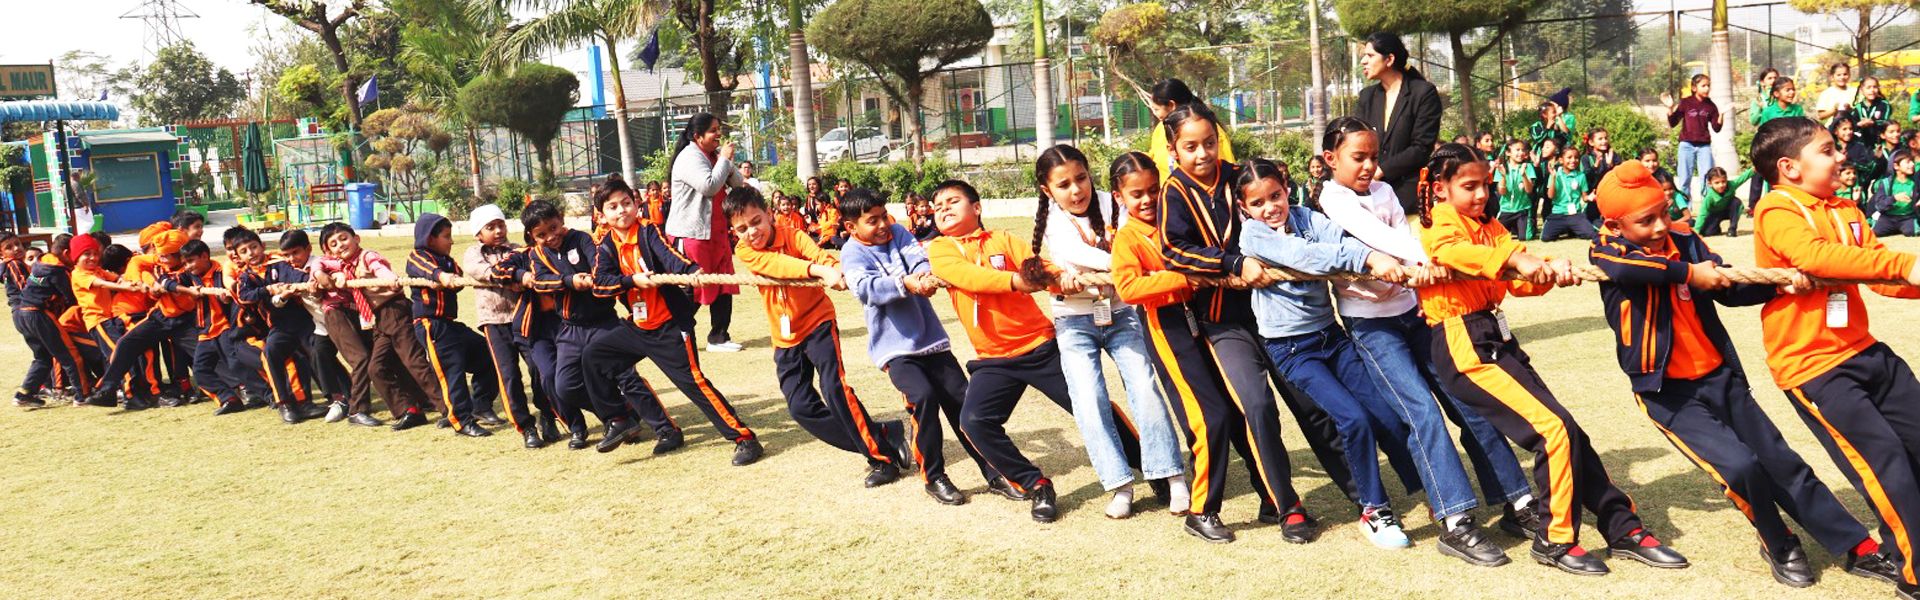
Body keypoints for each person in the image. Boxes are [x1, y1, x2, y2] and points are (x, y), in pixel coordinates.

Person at [1589, 159, 1889, 588]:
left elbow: (1728, 287)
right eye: (1646, 220)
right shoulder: (1607, 250)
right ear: (1615, 225)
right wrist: (1689, 273)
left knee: (1783, 462)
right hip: (1667, 393)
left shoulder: (1683, 239)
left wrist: (1777, 285)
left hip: (1719, 376)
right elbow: (1625, 270)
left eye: (1664, 212)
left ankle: (1855, 545)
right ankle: (1778, 541)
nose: (1660, 226)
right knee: (1740, 467)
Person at [1415, 142, 1688, 576]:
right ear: (1441, 189)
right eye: (1469, 186)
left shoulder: (1489, 226)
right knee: (1553, 431)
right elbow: (1453, 253)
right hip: (1461, 342)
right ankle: (1555, 540)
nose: (1482, 194)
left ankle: (1622, 527)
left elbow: (1519, 276)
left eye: (1485, 184)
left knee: (1568, 432)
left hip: (1495, 337)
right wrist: (1517, 259)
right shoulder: (1439, 222)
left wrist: (1548, 269)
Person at [1314, 118, 1546, 552]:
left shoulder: (1383, 191)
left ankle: (1517, 502)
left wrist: (1423, 269)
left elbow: (1401, 235)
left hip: (1414, 310)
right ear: (1331, 159)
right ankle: (1455, 520)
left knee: (1470, 400)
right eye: (1358, 157)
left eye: (1374, 156)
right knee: (1422, 413)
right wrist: (1429, 260)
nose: (1368, 166)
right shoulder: (1331, 199)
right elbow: (1375, 236)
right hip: (1372, 324)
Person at [1751, 117, 1920, 599]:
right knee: (1885, 462)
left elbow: (1880, 275)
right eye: (1827, 150)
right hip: (1815, 366)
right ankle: (1914, 573)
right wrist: (1907, 263)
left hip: (1865, 349)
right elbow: (1816, 257)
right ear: (1790, 167)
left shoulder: (1846, 208)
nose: (1840, 156)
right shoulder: (1776, 208)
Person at [926, 178, 1143, 524]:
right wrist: (1016, 281)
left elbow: (1037, 267)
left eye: (952, 201)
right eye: (937, 207)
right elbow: (967, 276)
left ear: (977, 207)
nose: (943, 210)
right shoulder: (940, 249)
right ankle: (1035, 484)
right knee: (974, 421)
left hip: (1040, 346)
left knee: (1091, 406)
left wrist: (1063, 278)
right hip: (993, 360)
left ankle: (1149, 463)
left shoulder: (1002, 240)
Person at [1155, 102, 1325, 541]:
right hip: (1222, 324)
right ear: (1173, 150)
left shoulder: (1237, 176)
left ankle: (1367, 498)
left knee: (1311, 401)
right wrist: (1233, 262)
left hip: (1275, 312)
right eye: (1191, 146)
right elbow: (1173, 251)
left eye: (1209, 142)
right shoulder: (1173, 192)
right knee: (1257, 407)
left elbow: (1277, 213)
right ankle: (1286, 506)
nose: (1203, 154)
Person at [1026, 144, 1189, 519]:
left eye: (1081, 178)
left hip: (1122, 312)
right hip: (1073, 319)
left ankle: (1172, 475)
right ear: (1047, 189)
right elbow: (1081, 254)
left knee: (1145, 388)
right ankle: (1119, 485)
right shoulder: (1051, 219)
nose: (1076, 190)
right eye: (1063, 185)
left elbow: (1137, 240)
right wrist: (1131, 267)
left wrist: (1129, 270)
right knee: (1088, 400)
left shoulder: (1114, 202)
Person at [724, 186, 911, 486]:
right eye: (742, 228)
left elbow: (821, 256)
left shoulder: (795, 236)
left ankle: (881, 459)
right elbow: (778, 266)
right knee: (800, 408)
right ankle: (881, 434)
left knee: (834, 390)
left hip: (817, 323)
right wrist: (818, 271)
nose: (751, 231)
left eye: (756, 221)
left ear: (769, 214)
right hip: (785, 336)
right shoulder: (745, 252)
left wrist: (835, 270)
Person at [581, 179, 763, 463]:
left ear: (636, 204)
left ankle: (744, 438)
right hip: (638, 326)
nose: (622, 211)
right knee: (594, 357)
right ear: (601, 215)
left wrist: (690, 271)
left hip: (670, 326)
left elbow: (670, 256)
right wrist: (632, 281)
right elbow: (600, 284)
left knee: (694, 384)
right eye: (613, 207)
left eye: (626, 203)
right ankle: (621, 419)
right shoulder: (606, 245)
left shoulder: (648, 231)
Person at [840, 186, 994, 506]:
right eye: (872, 221)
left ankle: (993, 470)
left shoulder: (898, 232)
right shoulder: (852, 253)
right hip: (895, 349)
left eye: (884, 216)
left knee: (962, 401)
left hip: (931, 340)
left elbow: (918, 259)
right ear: (851, 227)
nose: (882, 225)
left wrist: (923, 277)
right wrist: (904, 283)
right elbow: (865, 288)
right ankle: (934, 476)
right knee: (923, 398)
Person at [521, 196, 685, 453]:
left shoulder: (582, 239)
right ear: (532, 236)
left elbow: (600, 270)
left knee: (626, 377)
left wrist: (591, 279)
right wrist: (569, 281)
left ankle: (667, 430)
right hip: (570, 329)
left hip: (603, 324)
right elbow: (540, 282)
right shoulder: (537, 254)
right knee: (566, 386)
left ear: (561, 220)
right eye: (541, 234)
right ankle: (622, 415)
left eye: (553, 228)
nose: (550, 237)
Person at [316, 223, 438, 431]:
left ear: (356, 239)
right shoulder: (335, 264)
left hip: (390, 310)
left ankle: (443, 406)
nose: (340, 245)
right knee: (373, 365)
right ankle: (403, 409)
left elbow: (379, 267)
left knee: (409, 361)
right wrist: (322, 278)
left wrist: (389, 278)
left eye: (344, 238)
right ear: (328, 250)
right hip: (368, 316)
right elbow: (318, 272)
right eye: (333, 244)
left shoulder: (365, 257)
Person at [464, 205, 555, 448]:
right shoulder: (474, 253)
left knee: (539, 368)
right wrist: (512, 277)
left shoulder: (517, 250)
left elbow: (531, 268)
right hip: (494, 322)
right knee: (509, 377)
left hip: (523, 318)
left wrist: (520, 276)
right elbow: (481, 271)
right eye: (490, 227)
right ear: (478, 233)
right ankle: (526, 427)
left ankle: (548, 415)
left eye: (500, 225)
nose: (498, 231)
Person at [405, 213, 501, 438]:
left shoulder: (446, 260)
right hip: (431, 325)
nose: (451, 241)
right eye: (446, 236)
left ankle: (481, 404)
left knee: (489, 353)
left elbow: (456, 276)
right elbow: (422, 268)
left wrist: (447, 279)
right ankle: (462, 421)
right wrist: (439, 276)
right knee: (453, 373)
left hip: (451, 324)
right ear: (430, 239)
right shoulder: (418, 256)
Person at [664, 112, 744, 353]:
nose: (719, 134)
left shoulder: (714, 156)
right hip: (692, 235)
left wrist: (724, 161)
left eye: (719, 129)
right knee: (694, 287)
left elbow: (737, 184)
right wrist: (724, 161)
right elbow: (709, 186)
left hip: (716, 233)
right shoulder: (689, 157)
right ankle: (673, 335)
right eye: (713, 130)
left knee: (724, 284)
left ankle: (719, 337)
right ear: (697, 136)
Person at [233, 230, 325, 424]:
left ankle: (335, 397)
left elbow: (296, 276)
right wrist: (268, 289)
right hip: (278, 325)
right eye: (244, 251)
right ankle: (285, 404)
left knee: (318, 352)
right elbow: (244, 296)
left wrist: (310, 283)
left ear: (263, 246)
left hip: (303, 320)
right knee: (271, 351)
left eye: (253, 247)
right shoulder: (245, 277)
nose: (251, 253)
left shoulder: (278, 263)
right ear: (239, 257)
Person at [1355, 32, 1443, 212]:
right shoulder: (1367, 96)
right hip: (1370, 198)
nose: (1363, 61)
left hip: (1409, 198)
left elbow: (1421, 148)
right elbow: (1357, 141)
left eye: (1370, 55)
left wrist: (1381, 170)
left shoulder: (1423, 93)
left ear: (1389, 59)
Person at [1145, 78, 1235, 181]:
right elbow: (1155, 155)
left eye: (1156, 109)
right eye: (1191, 147)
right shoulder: (1161, 128)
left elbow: (1228, 172)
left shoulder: (1209, 129)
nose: (1202, 154)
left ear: (1171, 105)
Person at [1664, 75, 1724, 202]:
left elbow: (1716, 128)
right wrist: (1670, 108)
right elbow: (1673, 122)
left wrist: (1722, 114)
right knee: (1684, 178)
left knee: (1707, 178)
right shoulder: (1686, 103)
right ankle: (1686, 208)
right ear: (1694, 88)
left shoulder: (1710, 105)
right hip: (1686, 145)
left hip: (1704, 146)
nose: (1707, 88)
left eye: (1708, 85)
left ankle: (1706, 207)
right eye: (1703, 86)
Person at [1542, 147, 1598, 241]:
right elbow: (1550, 196)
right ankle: (1566, 228)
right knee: (1546, 237)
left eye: (1576, 158)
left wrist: (1589, 197)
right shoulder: (1555, 175)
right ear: (1561, 160)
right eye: (1569, 157)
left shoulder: (1581, 176)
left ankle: (1572, 228)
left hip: (1575, 214)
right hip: (1558, 214)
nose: (1573, 160)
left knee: (1590, 234)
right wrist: (1553, 177)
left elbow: (1584, 198)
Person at [1694, 166, 1756, 237]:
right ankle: (1715, 228)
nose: (1721, 185)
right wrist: (1696, 231)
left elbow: (1742, 178)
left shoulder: (1731, 185)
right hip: (1715, 214)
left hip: (1728, 211)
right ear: (1710, 184)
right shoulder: (1709, 197)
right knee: (1707, 232)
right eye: (1717, 183)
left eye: (1723, 181)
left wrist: (1753, 170)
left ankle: (1732, 229)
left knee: (1736, 202)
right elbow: (1702, 214)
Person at [1494, 140, 1537, 240]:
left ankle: (1520, 225)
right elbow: (1502, 192)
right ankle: (1513, 226)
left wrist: (1524, 175)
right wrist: (1503, 176)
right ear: (1508, 153)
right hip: (1506, 210)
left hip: (1522, 210)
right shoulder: (1501, 168)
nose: (1521, 153)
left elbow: (1529, 190)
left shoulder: (1528, 167)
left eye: (1523, 150)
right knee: (1496, 237)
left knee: (1525, 237)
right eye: (1517, 150)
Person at [1871, 152, 1918, 237]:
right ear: (1896, 166)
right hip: (1888, 217)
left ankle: (1902, 227)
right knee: (1876, 232)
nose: (1912, 164)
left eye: (1912, 161)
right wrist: (1894, 198)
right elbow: (1879, 205)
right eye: (1908, 162)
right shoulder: (1886, 183)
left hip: (1908, 216)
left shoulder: (1915, 182)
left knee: (1911, 231)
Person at [1814, 62, 1856, 126]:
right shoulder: (1826, 93)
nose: (1842, 77)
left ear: (1849, 75)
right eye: (1838, 75)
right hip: (1832, 128)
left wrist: (1849, 109)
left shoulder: (1855, 91)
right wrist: (1833, 111)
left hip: (1852, 127)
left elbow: (1859, 111)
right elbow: (1820, 116)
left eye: (1845, 74)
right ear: (1832, 77)